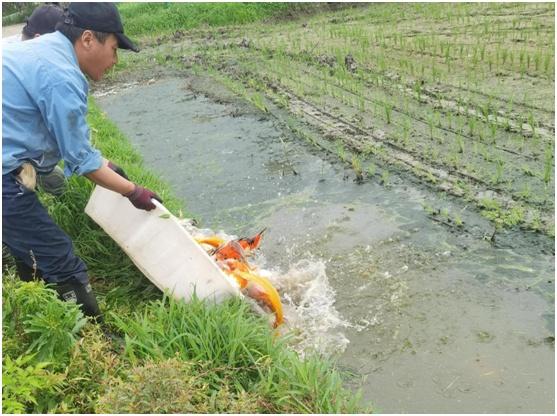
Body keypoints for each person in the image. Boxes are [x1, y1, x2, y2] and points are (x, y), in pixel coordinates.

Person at [2, 3, 161, 322]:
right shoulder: (62, 76)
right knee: (61, 260)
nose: (115, 61)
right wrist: (133, 191)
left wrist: (108, 166)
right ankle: (93, 336)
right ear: (88, 38)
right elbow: (83, 163)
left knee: (32, 246)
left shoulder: (45, 50)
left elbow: (69, 141)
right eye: (114, 49)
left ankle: (32, 310)